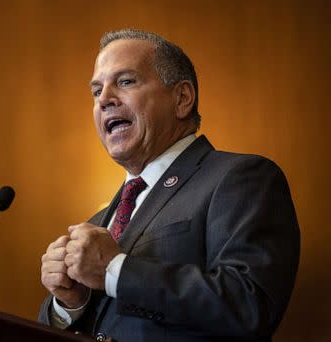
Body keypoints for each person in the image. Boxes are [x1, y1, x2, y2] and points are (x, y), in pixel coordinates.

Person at [38, 28, 300, 342]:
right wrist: (70, 303)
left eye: (125, 81)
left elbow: (249, 303)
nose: (104, 99)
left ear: (182, 98)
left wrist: (115, 270)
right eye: (96, 91)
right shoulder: (100, 222)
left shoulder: (240, 178)